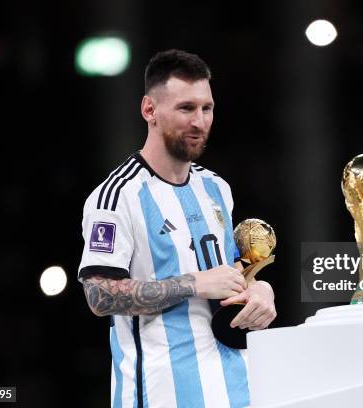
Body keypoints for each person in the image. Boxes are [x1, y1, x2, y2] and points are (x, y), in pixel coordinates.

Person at [77, 49, 277, 408]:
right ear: (149, 110)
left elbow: (232, 273)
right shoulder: (117, 196)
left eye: (207, 108)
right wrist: (194, 283)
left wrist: (259, 289)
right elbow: (99, 295)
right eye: (186, 108)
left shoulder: (216, 188)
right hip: (161, 393)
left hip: (237, 389)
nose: (199, 121)